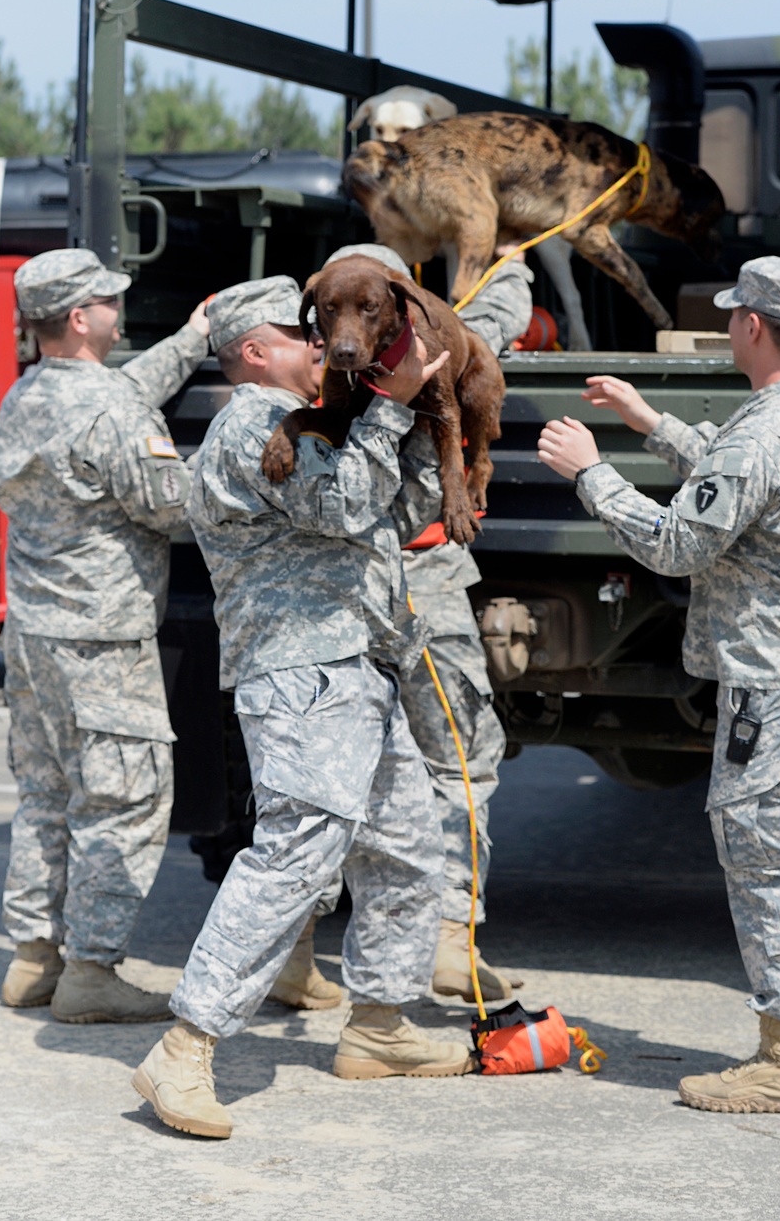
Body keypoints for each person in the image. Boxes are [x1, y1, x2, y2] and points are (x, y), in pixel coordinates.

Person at [537, 255, 780, 1114]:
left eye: (736, 313)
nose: (730, 322)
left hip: (772, 688)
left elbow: (678, 544)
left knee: (768, 863)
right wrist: (651, 421)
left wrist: (592, 471)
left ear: (754, 328)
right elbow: (742, 489)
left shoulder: (758, 436)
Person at [132, 276, 473, 1141]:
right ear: (253, 350)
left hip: (355, 665)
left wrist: (425, 418)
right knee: (296, 856)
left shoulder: (318, 422)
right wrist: (392, 413)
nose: (322, 342)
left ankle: (381, 1025)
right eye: (301, 331)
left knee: (404, 843)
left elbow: (390, 514)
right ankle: (186, 1045)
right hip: (303, 674)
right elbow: (344, 503)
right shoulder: (252, 421)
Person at [269, 243, 532, 1008]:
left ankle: (293, 952)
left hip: (336, 595)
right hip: (421, 580)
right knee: (461, 758)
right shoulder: (408, 358)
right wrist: (505, 260)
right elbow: (495, 317)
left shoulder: (342, 368)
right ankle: (452, 938)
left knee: (329, 772)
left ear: (399, 309)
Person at [0, 248, 210, 1022]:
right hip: (104, 642)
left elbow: (117, 396)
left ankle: (33, 958)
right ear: (81, 318)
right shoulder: (110, 410)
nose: (120, 315)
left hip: (34, 636)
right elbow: (176, 504)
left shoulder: (28, 394)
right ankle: (92, 971)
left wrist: (193, 338)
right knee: (123, 801)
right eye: (110, 304)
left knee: (46, 794)